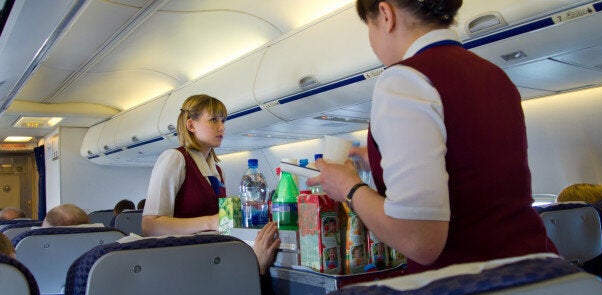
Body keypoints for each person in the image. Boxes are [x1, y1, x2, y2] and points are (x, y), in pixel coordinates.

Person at [307, 0, 557, 274]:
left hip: (469, 290)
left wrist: (349, 188)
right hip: (538, 274)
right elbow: (473, 165)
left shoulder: (403, 80)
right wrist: (381, 158)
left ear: (385, 14)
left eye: (369, 28)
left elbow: (419, 240)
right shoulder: (495, 75)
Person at [141, 94, 280, 278]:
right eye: (213, 120)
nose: (221, 127)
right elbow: (150, 225)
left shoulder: (218, 171)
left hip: (211, 259)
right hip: (178, 263)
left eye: (223, 120)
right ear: (191, 125)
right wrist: (210, 221)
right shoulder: (175, 158)